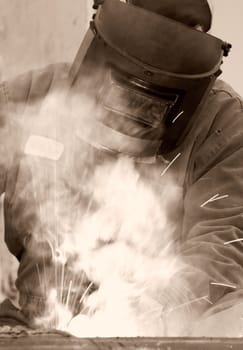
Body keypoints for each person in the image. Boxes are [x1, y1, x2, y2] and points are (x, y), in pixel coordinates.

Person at [0, 0, 243, 336]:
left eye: (150, 105)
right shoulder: (34, 96)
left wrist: (139, 314)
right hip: (31, 322)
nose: (132, 114)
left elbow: (221, 249)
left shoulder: (221, 125)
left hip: (156, 334)